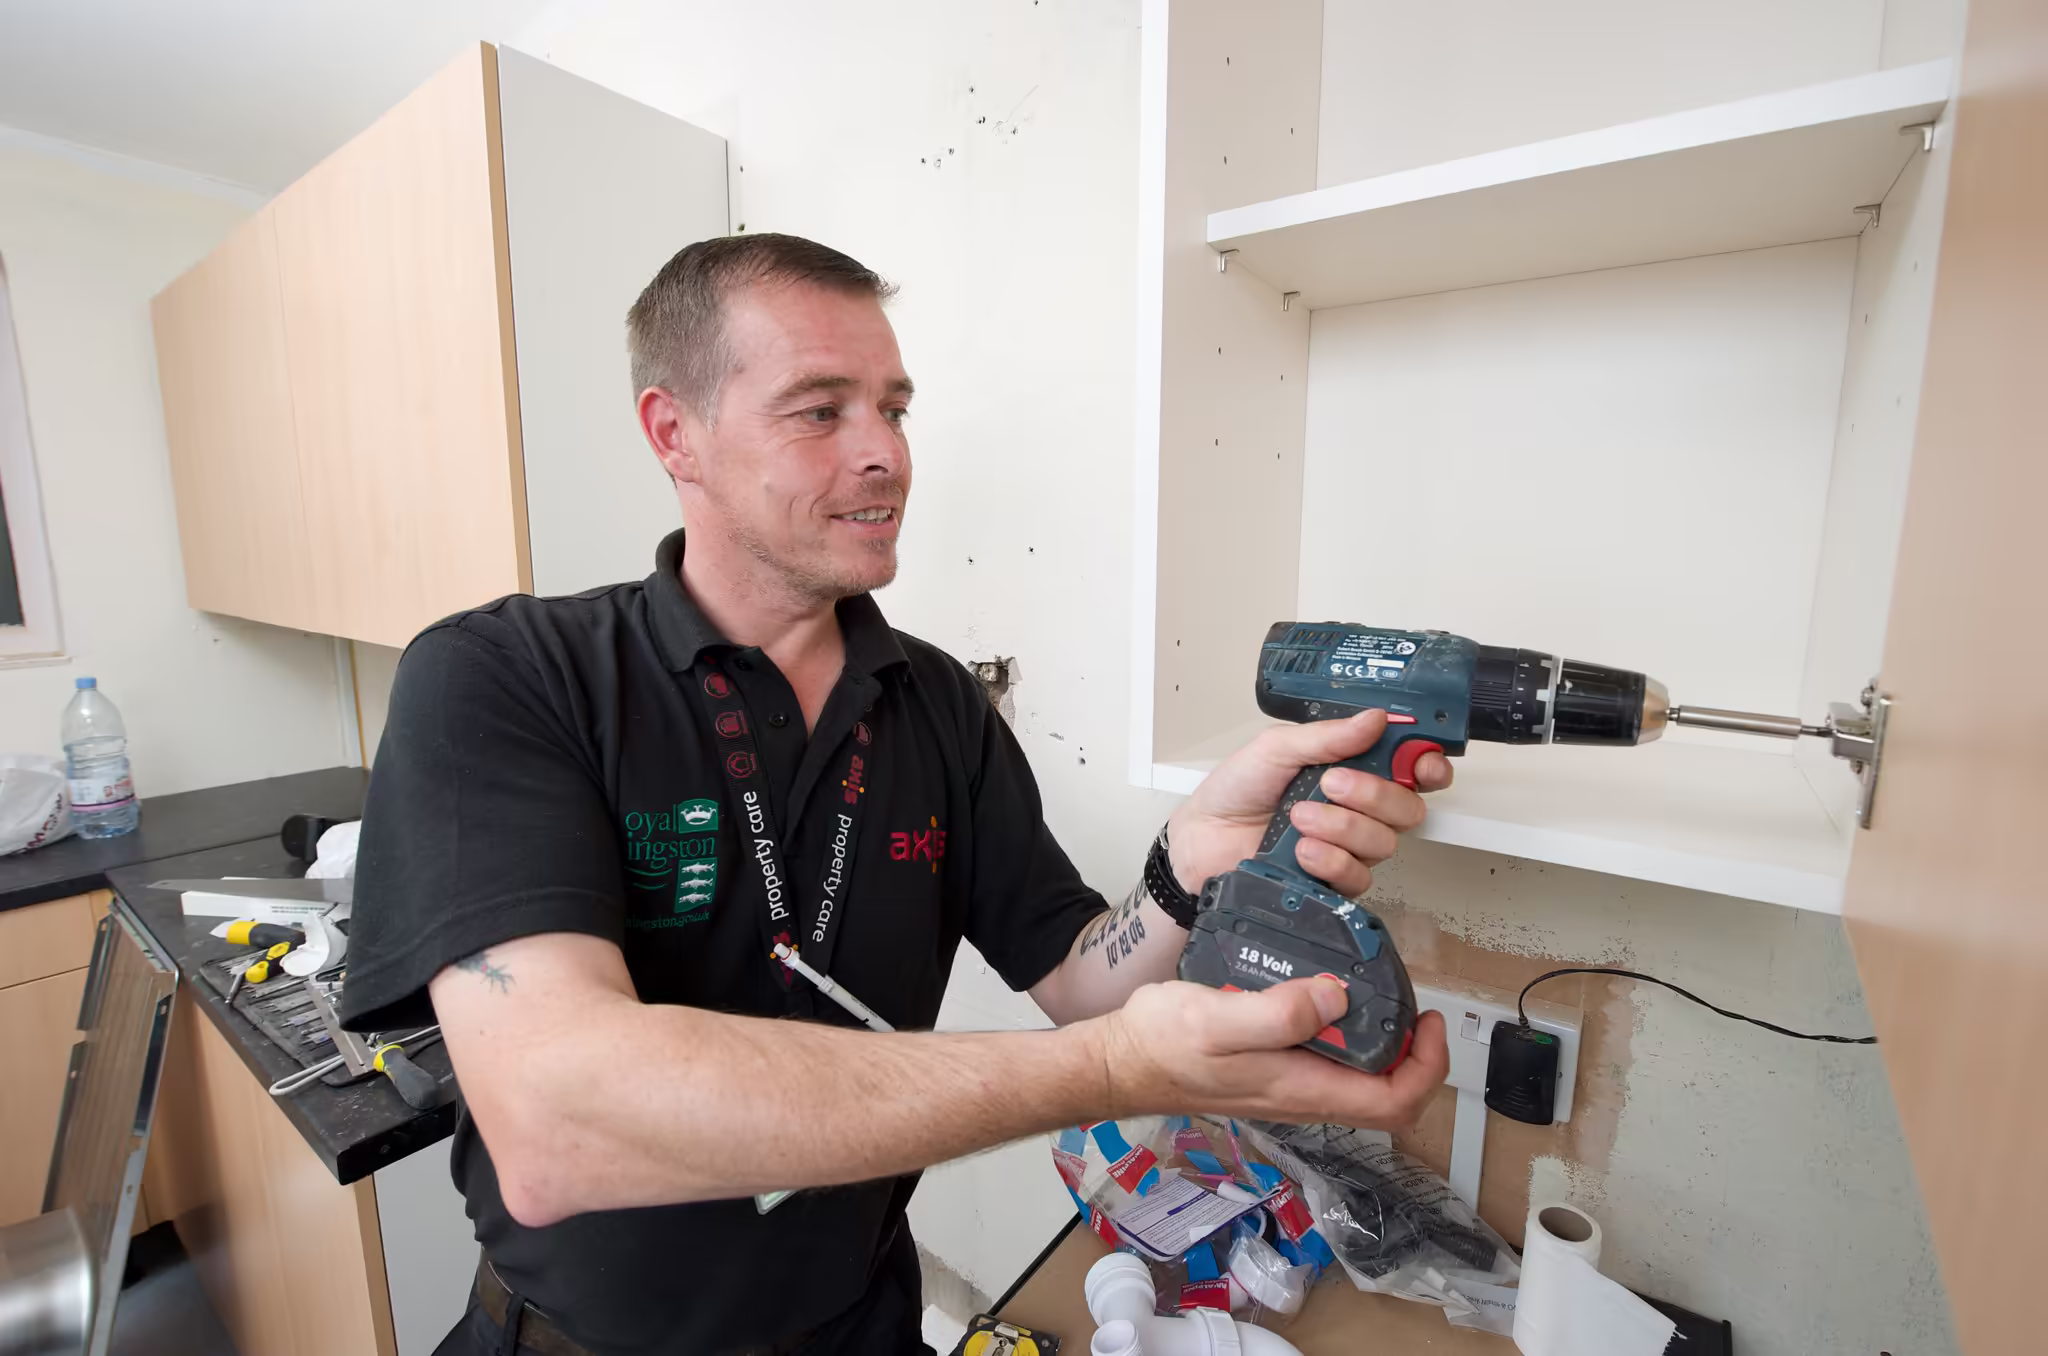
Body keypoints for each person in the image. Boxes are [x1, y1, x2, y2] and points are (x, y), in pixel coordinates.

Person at [341, 233, 1454, 1356]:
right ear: (673, 433)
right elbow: (555, 1128)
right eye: (819, 411)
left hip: (866, 1329)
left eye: (894, 409)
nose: (884, 455)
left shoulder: (934, 703)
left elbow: (1079, 984)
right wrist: (1112, 1075)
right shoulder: (508, 676)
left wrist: (1187, 862)